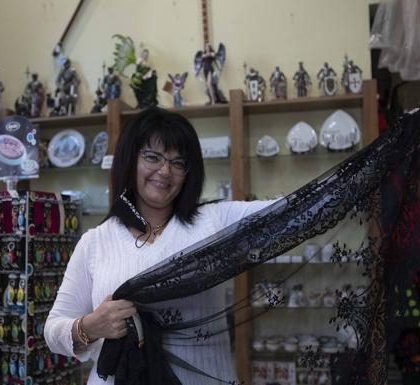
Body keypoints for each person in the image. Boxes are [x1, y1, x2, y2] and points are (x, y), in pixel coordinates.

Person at [45, 107, 273, 385]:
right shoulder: (96, 242)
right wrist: (90, 326)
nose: (165, 171)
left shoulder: (215, 222)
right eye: (152, 157)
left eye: (178, 163)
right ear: (130, 160)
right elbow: (53, 329)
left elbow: (290, 210)